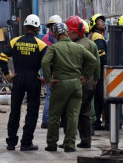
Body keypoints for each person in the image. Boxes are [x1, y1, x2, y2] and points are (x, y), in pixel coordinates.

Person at [42, 23, 97, 152]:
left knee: (55, 115)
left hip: (60, 84)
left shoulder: (54, 48)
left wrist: (49, 80)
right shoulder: (78, 47)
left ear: (55, 35)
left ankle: (52, 144)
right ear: (66, 32)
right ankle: (70, 145)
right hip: (76, 85)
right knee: (73, 115)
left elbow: (44, 62)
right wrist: (86, 75)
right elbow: (93, 60)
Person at [0, 14, 47, 151]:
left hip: (18, 79)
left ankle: (11, 143)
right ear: (37, 29)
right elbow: (48, 62)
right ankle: (26, 143)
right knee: (32, 112)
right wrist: (46, 78)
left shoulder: (14, 42)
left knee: (15, 111)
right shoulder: (41, 45)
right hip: (34, 80)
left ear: (25, 27)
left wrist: (8, 75)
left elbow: (1, 58)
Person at [64, 16, 100, 148]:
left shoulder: (75, 46)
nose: (67, 34)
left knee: (72, 112)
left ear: (75, 32)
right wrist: (95, 78)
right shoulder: (92, 43)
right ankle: (86, 141)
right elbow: (97, 63)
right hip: (90, 84)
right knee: (85, 114)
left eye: (69, 32)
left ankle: (70, 141)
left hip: (79, 84)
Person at [41, 15, 62, 129]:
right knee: (50, 96)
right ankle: (46, 120)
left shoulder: (55, 38)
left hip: (56, 73)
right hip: (51, 73)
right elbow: (47, 60)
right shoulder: (47, 39)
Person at [89, 13, 110, 131]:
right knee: (104, 98)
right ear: (94, 24)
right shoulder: (97, 37)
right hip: (101, 70)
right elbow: (101, 55)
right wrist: (107, 65)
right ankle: (109, 123)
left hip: (96, 71)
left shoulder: (94, 36)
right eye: (100, 21)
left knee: (97, 98)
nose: (103, 22)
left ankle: (96, 123)